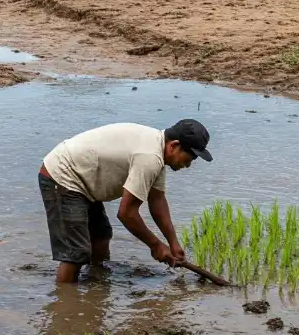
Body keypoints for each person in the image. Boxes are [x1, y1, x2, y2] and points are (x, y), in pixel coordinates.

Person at [38, 119, 211, 284]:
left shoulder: (157, 153)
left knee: (101, 236)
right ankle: (65, 303)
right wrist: (156, 245)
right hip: (63, 175)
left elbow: (157, 200)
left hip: (83, 180)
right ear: (174, 145)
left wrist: (173, 243)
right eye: (189, 158)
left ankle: (96, 285)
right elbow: (126, 213)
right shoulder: (149, 157)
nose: (188, 165)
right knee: (76, 252)